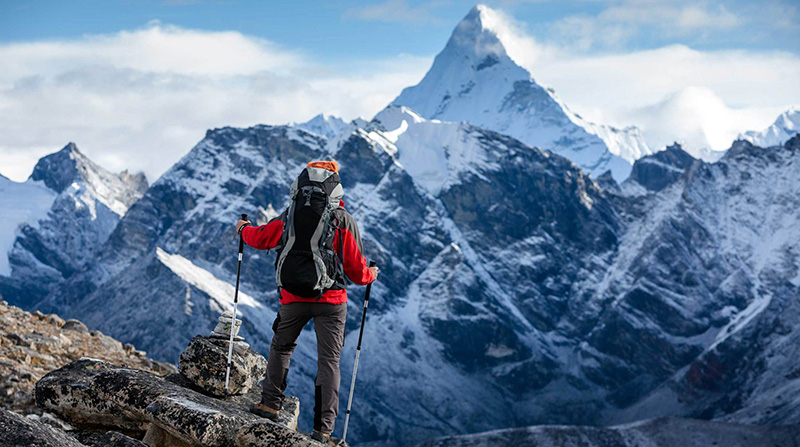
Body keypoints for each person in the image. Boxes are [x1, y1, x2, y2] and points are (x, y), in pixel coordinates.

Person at [235, 160, 378, 445]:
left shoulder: (290, 214)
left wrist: (243, 229)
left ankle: (270, 405)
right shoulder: (343, 220)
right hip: (332, 302)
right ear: (335, 188)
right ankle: (323, 430)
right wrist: (371, 273)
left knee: (282, 347)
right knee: (329, 362)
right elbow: (356, 272)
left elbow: (261, 238)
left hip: (293, 297)